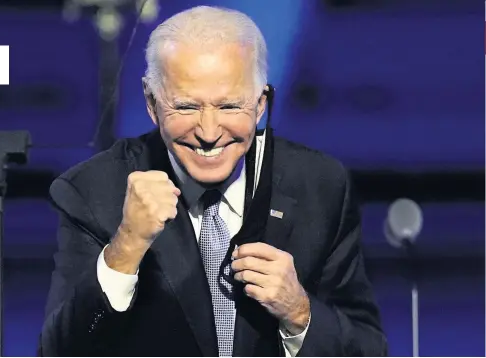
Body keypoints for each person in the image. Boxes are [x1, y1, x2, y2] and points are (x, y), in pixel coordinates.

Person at [38, 5, 387, 357]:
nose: (208, 133)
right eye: (187, 107)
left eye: (230, 107)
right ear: (151, 103)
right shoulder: (92, 191)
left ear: (260, 104)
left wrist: (299, 313)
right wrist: (125, 249)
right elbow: (59, 351)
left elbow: (369, 350)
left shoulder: (321, 187)